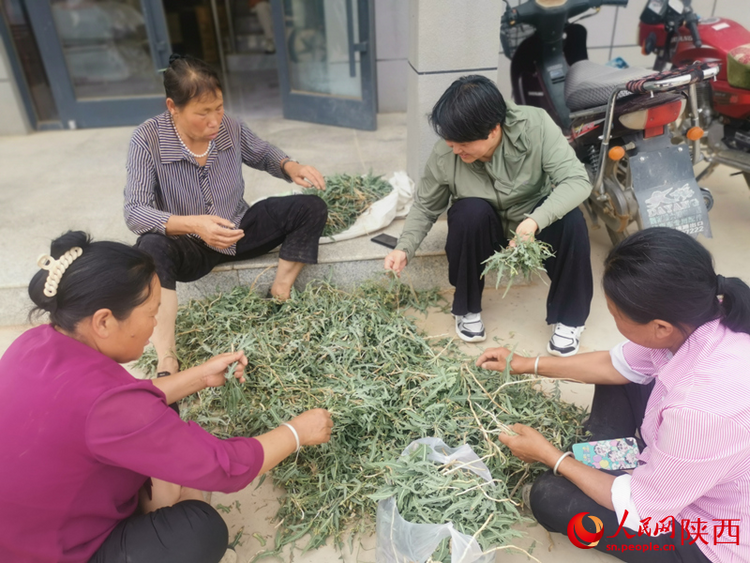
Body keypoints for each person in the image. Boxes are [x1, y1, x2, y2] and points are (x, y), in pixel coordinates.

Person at [0, 231, 333, 563]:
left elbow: (116, 406)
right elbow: (224, 468)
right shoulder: (108, 406)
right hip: (53, 552)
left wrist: (199, 376)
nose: (155, 325)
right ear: (104, 321)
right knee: (198, 532)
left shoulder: (34, 342)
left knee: (164, 424)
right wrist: (297, 432)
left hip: (23, 529)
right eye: (151, 312)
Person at [476, 227, 750, 562]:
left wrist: (551, 456)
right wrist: (523, 363)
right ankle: (607, 459)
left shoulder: (701, 410)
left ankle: (601, 465)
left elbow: (642, 507)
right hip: (693, 460)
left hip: (713, 533)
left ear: (661, 327)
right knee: (621, 378)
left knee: (550, 498)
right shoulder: (703, 314)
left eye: (616, 315)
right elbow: (614, 364)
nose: (614, 320)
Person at [125, 54, 328, 379]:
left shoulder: (229, 127)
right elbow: (135, 211)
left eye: (218, 108)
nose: (214, 121)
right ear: (172, 107)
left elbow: (261, 152)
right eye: (202, 113)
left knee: (310, 207)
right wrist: (195, 224)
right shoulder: (147, 140)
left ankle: (280, 291)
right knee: (149, 246)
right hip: (189, 244)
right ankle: (167, 360)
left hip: (237, 228)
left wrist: (292, 167)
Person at [384, 75, 593, 355]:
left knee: (571, 221)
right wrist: (404, 248)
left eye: (463, 143)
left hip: (531, 225)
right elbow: (425, 206)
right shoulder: (447, 153)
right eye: (450, 142)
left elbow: (577, 181)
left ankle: (569, 320)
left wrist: (534, 221)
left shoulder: (536, 126)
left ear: (494, 130)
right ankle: (467, 309)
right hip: (485, 230)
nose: (455, 150)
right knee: (468, 213)